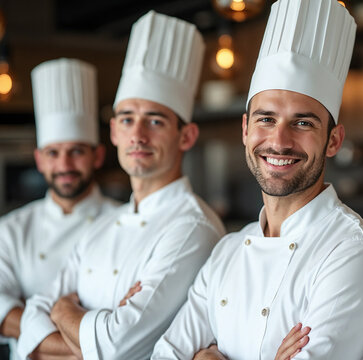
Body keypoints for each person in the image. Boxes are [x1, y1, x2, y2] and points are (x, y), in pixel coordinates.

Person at [152, 0, 363, 359]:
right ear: (245, 129)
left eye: (303, 123)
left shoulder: (354, 255)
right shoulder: (228, 251)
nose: (279, 141)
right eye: (266, 119)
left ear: (334, 141)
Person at [16, 11, 226, 360]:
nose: (138, 135)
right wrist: (95, 334)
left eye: (155, 120)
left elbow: (116, 347)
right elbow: (33, 323)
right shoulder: (103, 224)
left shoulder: (192, 229)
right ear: (114, 132)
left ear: (186, 136)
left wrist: (63, 312)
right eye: (127, 119)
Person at [0, 58, 119, 359]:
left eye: (76, 151)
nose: (64, 165)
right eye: (54, 153)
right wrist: (84, 346)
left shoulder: (125, 220)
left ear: (98, 155)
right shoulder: (13, 228)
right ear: (40, 160)